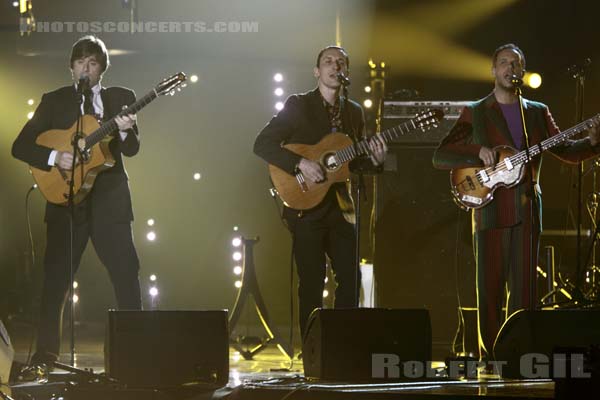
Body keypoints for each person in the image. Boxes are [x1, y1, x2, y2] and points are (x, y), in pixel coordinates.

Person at [432, 43, 600, 361]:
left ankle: (522, 356)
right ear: (494, 70)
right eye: (505, 63)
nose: (511, 68)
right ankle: (491, 360)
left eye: (517, 63)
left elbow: (565, 151)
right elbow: (441, 156)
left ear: (522, 71)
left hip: (526, 210)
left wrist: (593, 143)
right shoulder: (477, 111)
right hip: (489, 209)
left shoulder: (536, 112)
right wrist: (476, 151)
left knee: (525, 291)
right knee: (491, 290)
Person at [12, 35, 142, 371]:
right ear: (71, 67)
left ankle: (131, 356)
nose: (87, 68)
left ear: (102, 69)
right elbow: (21, 146)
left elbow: (130, 150)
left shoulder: (120, 98)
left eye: (93, 63)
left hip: (109, 202)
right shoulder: (53, 102)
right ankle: (45, 357)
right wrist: (57, 156)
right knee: (54, 281)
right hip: (65, 201)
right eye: (81, 62)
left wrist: (125, 131)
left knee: (126, 276)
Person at [254, 45, 387, 338]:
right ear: (317, 71)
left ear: (346, 72)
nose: (334, 65)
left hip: (342, 203)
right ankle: (313, 352)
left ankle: (341, 345)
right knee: (312, 282)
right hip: (305, 204)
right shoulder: (298, 105)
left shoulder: (354, 112)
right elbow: (262, 144)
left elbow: (356, 161)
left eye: (340, 62)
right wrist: (300, 163)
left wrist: (376, 160)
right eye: (328, 61)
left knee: (350, 279)